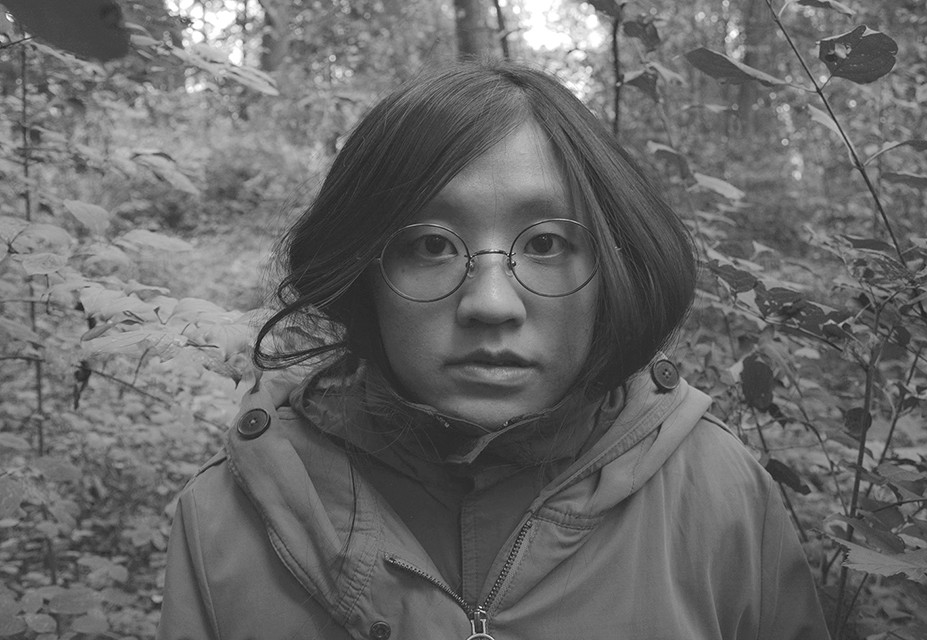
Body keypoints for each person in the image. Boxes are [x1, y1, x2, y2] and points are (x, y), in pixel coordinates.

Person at [157, 60, 830, 640]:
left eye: (546, 244)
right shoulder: (228, 519)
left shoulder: (719, 494)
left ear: (614, 267)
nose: (491, 304)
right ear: (363, 272)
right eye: (430, 245)